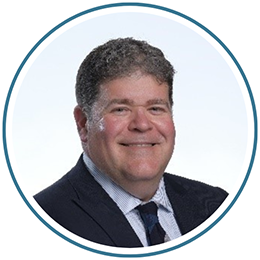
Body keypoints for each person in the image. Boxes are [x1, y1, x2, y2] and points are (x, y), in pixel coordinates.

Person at [34, 38, 228, 247]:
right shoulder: (42, 221)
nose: (142, 124)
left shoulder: (217, 206)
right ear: (83, 123)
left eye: (155, 108)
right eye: (120, 109)